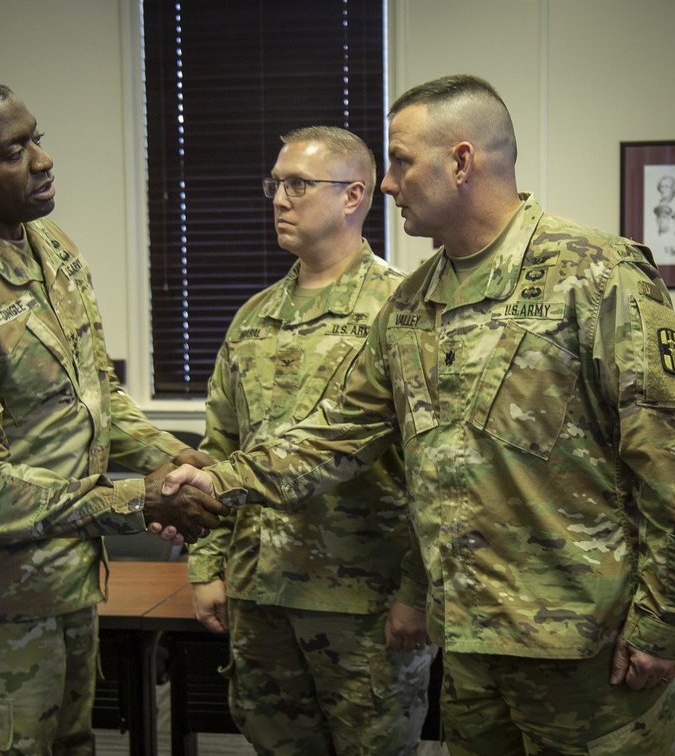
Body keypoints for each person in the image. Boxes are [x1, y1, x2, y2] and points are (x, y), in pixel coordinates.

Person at [165, 74, 675, 754]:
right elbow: (332, 437)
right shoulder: (410, 306)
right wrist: (214, 484)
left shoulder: (594, 274)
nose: (387, 183)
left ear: (461, 162)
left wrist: (666, 625)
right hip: (469, 647)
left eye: (401, 161)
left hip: (587, 649)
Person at [0, 79, 227, 755]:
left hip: (60, 586)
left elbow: (92, 396)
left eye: (37, 139)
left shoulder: (47, 247)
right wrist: (137, 502)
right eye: (14, 150)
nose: (41, 160)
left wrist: (165, 456)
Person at [188, 126, 434, 755]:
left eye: (298, 184)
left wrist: (418, 591)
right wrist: (207, 565)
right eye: (275, 183)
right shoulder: (254, 316)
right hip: (259, 591)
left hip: (363, 604)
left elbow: (436, 474)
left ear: (354, 196)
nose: (279, 198)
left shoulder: (405, 311)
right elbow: (220, 450)